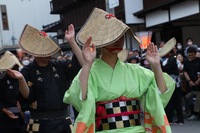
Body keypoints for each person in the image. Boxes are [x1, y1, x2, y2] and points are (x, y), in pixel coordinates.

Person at [63, 8, 175, 133]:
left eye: (121, 36)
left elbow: (160, 94)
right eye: (113, 37)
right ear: (100, 40)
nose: (118, 41)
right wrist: (88, 63)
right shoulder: (91, 71)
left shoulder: (136, 70)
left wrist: (156, 66)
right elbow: (79, 99)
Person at [7, 24, 84, 133]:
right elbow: (27, 96)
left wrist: (71, 41)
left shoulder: (60, 66)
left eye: (50, 49)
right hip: (39, 123)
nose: (49, 53)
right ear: (36, 51)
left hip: (63, 121)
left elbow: (81, 64)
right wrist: (20, 79)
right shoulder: (27, 70)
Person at [0, 51, 24, 133]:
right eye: (12, 67)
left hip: (23, 115)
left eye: (16, 67)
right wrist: (5, 110)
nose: (14, 70)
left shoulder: (22, 79)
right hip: (7, 117)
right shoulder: (2, 81)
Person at [160, 48, 184, 125]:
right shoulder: (169, 59)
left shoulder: (173, 59)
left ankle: (180, 120)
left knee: (177, 102)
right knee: (170, 102)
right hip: (170, 83)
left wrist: (160, 65)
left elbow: (166, 68)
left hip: (175, 83)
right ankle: (170, 119)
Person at [183, 46, 200, 120]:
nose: (191, 56)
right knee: (191, 98)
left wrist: (199, 80)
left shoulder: (199, 60)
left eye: (192, 55)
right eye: (189, 55)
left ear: (195, 54)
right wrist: (189, 80)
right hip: (190, 82)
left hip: (198, 81)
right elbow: (185, 71)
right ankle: (193, 113)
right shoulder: (186, 61)